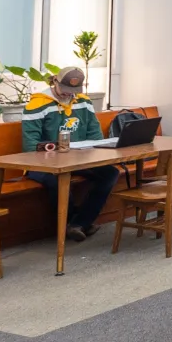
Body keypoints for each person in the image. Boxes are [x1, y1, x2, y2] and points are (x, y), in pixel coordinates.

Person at [20, 67, 119, 242]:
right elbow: (30, 146)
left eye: (73, 91)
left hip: (78, 159)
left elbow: (94, 134)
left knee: (110, 173)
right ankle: (72, 224)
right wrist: (56, 150)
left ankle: (79, 223)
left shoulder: (84, 102)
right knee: (57, 180)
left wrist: (93, 152)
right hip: (43, 164)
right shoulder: (37, 105)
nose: (68, 95)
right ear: (55, 82)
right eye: (65, 90)